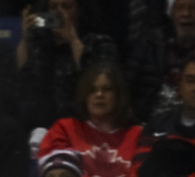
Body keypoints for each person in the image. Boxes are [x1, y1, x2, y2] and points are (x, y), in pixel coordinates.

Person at [35, 63, 141, 177]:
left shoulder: (138, 135)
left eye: (107, 89)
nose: (99, 95)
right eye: (92, 90)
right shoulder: (64, 129)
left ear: (119, 95)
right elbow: (57, 173)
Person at [16, 0, 119, 130]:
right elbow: (21, 83)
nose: (59, 12)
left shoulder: (99, 43)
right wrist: (25, 39)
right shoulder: (39, 44)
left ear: (80, 11)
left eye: (66, 6)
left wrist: (72, 40)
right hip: (40, 127)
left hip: (83, 127)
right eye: (53, 7)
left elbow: (97, 86)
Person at [131, 0, 195, 121]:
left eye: (194, 8)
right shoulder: (151, 44)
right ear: (171, 13)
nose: (186, 13)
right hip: (151, 122)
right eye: (180, 8)